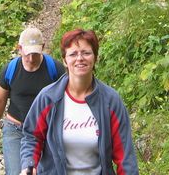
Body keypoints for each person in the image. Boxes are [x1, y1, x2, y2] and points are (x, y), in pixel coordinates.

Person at [20, 29, 139, 175]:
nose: (80, 58)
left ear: (95, 57)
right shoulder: (48, 98)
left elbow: (125, 155)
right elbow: (32, 136)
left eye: (86, 53)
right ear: (65, 60)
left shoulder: (110, 101)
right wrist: (29, 165)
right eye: (73, 54)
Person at [0, 27, 66, 175]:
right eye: (27, 54)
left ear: (43, 47)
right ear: (19, 49)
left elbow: (66, 99)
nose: (31, 58)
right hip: (15, 129)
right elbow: (0, 99)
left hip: (45, 130)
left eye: (35, 54)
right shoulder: (10, 69)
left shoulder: (54, 69)